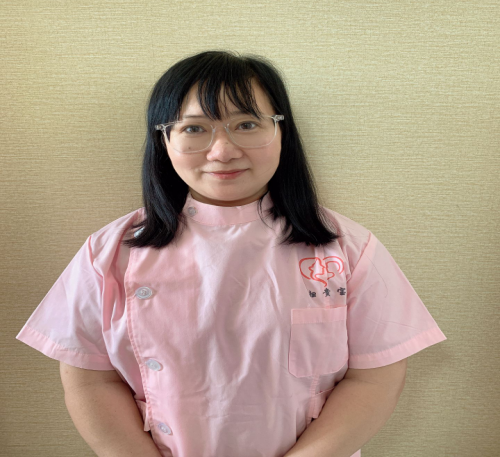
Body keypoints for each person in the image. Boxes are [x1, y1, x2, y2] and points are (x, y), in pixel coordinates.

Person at [16, 50, 447, 457]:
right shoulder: (109, 253)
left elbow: (374, 378)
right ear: (164, 140)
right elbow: (91, 381)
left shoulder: (347, 247)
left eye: (246, 124)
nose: (222, 151)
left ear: (281, 132)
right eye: (194, 128)